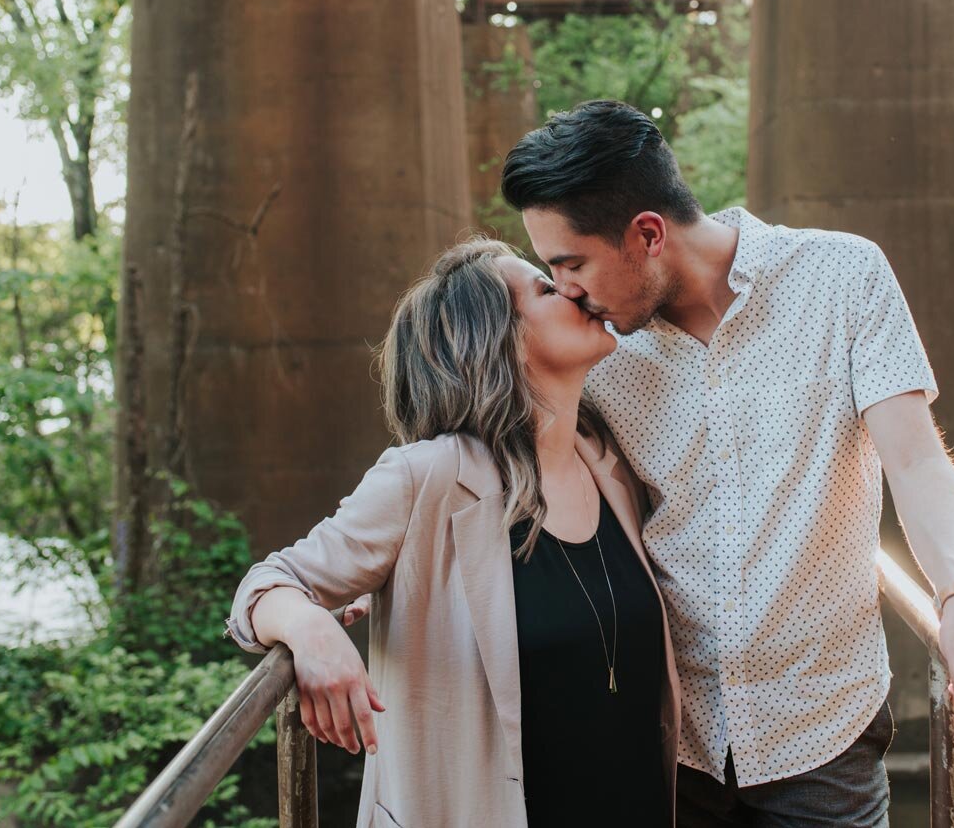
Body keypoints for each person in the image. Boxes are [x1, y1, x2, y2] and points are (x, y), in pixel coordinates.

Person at [500, 99, 954, 827]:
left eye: (571, 264)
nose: (566, 289)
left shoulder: (843, 276)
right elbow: (495, 457)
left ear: (648, 235)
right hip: (666, 738)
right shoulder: (596, 352)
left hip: (823, 734)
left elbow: (915, 459)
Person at [223, 238, 681, 828]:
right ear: (498, 338)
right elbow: (267, 584)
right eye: (544, 288)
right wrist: (310, 628)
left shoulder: (611, 465)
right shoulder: (425, 477)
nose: (571, 290)